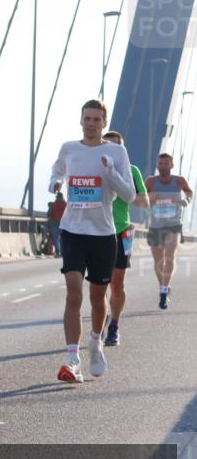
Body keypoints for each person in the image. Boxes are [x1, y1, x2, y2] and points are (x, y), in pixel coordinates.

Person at [49, 100, 136, 383]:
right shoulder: (69, 148)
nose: (91, 124)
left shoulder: (117, 152)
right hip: (72, 231)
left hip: (102, 234)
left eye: (96, 119)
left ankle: (96, 340)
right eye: (87, 118)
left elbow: (129, 195)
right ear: (81, 120)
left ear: (104, 123)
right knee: (73, 294)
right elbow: (57, 171)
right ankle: (73, 360)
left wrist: (111, 172)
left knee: (98, 298)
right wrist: (55, 183)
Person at [102, 131, 149, 346]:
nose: (114, 150)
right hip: (96, 231)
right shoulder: (93, 167)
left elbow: (144, 202)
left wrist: (123, 188)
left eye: (118, 147)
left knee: (117, 283)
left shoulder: (132, 170)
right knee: (99, 284)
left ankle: (114, 325)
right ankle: (101, 317)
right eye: (109, 146)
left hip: (122, 231)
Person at [145, 153, 193, 310]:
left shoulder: (179, 181)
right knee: (159, 260)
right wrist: (150, 198)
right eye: (161, 164)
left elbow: (189, 193)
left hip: (173, 225)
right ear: (157, 165)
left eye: (166, 163)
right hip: (155, 226)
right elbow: (141, 197)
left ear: (172, 166)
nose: (163, 166)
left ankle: (164, 291)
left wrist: (186, 200)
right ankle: (162, 285)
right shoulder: (150, 182)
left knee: (170, 257)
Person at [47, 192, 66, 257]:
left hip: (54, 223)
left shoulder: (53, 205)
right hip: (63, 224)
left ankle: (58, 251)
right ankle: (62, 252)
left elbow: (49, 214)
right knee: (63, 239)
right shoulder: (66, 205)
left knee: (56, 238)